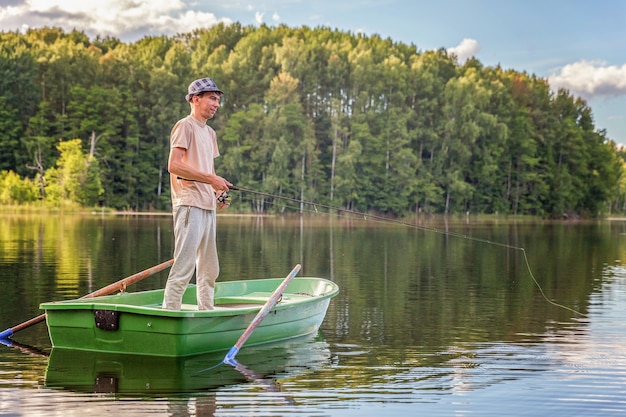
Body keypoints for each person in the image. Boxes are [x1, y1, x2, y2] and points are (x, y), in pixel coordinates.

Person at [162, 77, 232, 310]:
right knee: (184, 265)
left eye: (218, 100)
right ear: (195, 99)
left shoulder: (210, 133)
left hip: (207, 205)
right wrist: (211, 179)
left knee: (209, 267)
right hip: (189, 204)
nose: (216, 104)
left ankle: (207, 312)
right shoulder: (185, 126)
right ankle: (170, 313)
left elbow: (207, 170)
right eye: (212, 98)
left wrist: (218, 190)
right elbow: (174, 165)